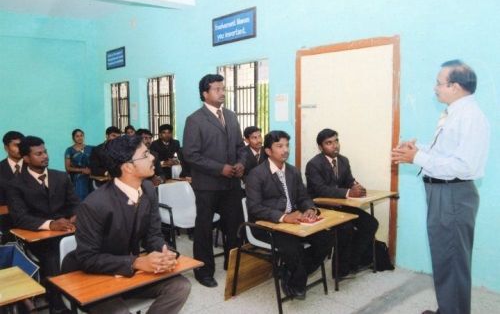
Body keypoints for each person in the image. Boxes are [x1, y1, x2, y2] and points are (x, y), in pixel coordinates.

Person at [391, 60, 490, 314]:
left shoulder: (469, 117)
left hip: (453, 195)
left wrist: (417, 158)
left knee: (453, 260)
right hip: (444, 193)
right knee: (445, 257)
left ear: (455, 86)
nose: (435, 88)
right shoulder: (455, 113)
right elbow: (446, 153)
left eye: (439, 83)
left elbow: (463, 166)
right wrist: (418, 149)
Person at [65, 135, 190, 314]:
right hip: (94, 274)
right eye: (146, 154)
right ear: (128, 167)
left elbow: (153, 235)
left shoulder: (148, 190)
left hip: (129, 268)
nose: (153, 157)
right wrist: (137, 262)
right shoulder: (95, 204)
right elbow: (88, 259)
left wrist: (164, 251)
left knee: (180, 286)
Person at [246, 130, 334, 299]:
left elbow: (303, 197)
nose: (285, 150)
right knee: (293, 247)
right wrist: (284, 217)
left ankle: (290, 272)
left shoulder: (293, 171)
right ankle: (297, 280)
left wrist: (310, 209)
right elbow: (254, 208)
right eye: (279, 146)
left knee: (326, 239)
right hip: (267, 225)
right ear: (268, 151)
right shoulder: (256, 175)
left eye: (287, 145)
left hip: (294, 222)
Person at [182, 74, 246, 287]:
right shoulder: (195, 119)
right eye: (217, 89)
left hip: (231, 184)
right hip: (207, 186)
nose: (222, 92)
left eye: (223, 88)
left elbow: (240, 147)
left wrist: (241, 164)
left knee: (234, 227)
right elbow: (191, 154)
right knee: (204, 229)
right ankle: (204, 271)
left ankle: (234, 264)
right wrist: (220, 169)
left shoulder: (230, 115)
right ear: (205, 93)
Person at [7, 136, 80, 313]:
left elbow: (75, 203)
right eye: (38, 154)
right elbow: (20, 217)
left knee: (95, 246)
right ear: (26, 158)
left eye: (45, 151)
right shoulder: (15, 184)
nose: (45, 156)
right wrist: (50, 224)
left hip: (68, 231)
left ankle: (86, 297)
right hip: (39, 239)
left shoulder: (60, 177)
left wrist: (77, 215)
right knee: (53, 259)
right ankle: (58, 307)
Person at [305, 128, 378, 276]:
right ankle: (340, 270)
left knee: (370, 224)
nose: (335, 145)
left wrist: (356, 186)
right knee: (346, 228)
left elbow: (349, 180)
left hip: (342, 205)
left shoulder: (343, 160)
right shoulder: (313, 164)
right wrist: (348, 192)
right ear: (321, 147)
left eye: (336, 141)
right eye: (329, 143)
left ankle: (353, 261)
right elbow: (320, 190)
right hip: (322, 206)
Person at [64, 129, 93, 200]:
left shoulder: (90, 148)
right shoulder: (69, 150)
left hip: (91, 176)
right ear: (73, 138)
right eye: (77, 136)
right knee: (80, 199)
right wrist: (82, 170)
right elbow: (68, 168)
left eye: (81, 135)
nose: (80, 138)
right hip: (78, 178)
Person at [0, 131, 25, 203]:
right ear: (6, 148)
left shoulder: (34, 167)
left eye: (22, 146)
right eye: (16, 145)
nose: (20, 149)